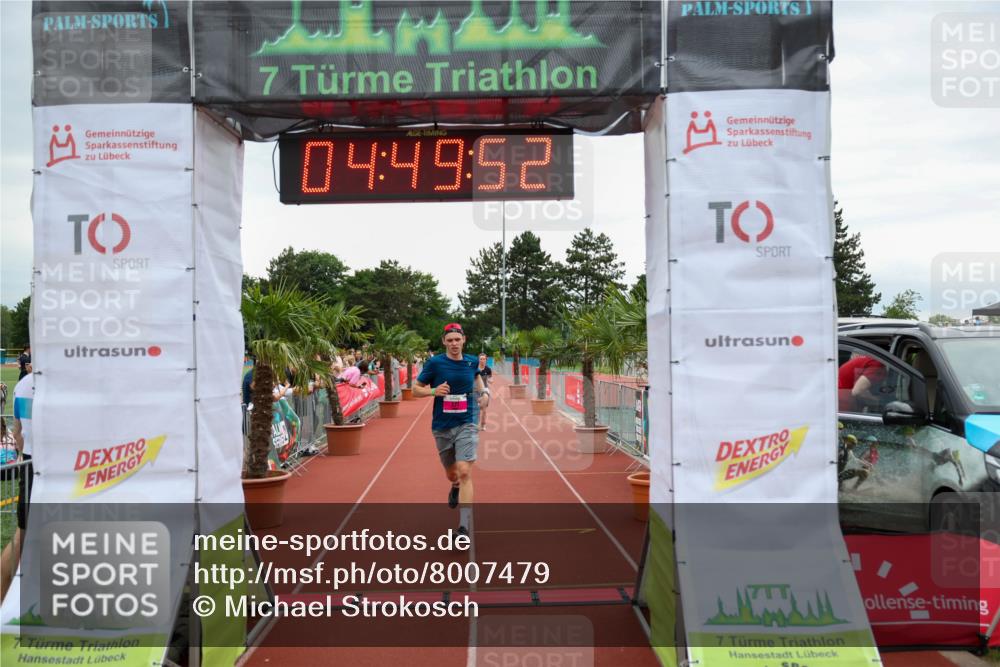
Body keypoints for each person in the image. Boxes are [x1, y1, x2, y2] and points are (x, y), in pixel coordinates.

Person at [414, 323, 489, 537]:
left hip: (468, 421)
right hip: (442, 426)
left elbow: (476, 378)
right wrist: (433, 391)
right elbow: (415, 390)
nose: (454, 344)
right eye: (450, 340)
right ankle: (454, 485)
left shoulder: (472, 361)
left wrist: (484, 393)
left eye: (457, 339)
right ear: (444, 342)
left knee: (465, 471)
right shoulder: (435, 363)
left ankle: (463, 527)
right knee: (452, 474)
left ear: (463, 340)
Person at [1, 360, 33, 600]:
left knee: (22, 537)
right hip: (71, 468)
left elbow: (18, 434)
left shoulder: (23, 385)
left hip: (33, 467)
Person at [476, 353, 492, 430]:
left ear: (486, 360)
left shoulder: (488, 369)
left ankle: (483, 424)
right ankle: (476, 423)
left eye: (484, 359)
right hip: (476, 389)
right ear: (478, 360)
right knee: (476, 408)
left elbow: (490, 379)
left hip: (485, 389)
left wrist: (490, 380)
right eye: (481, 359)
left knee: (484, 409)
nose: (482, 360)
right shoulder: (475, 369)